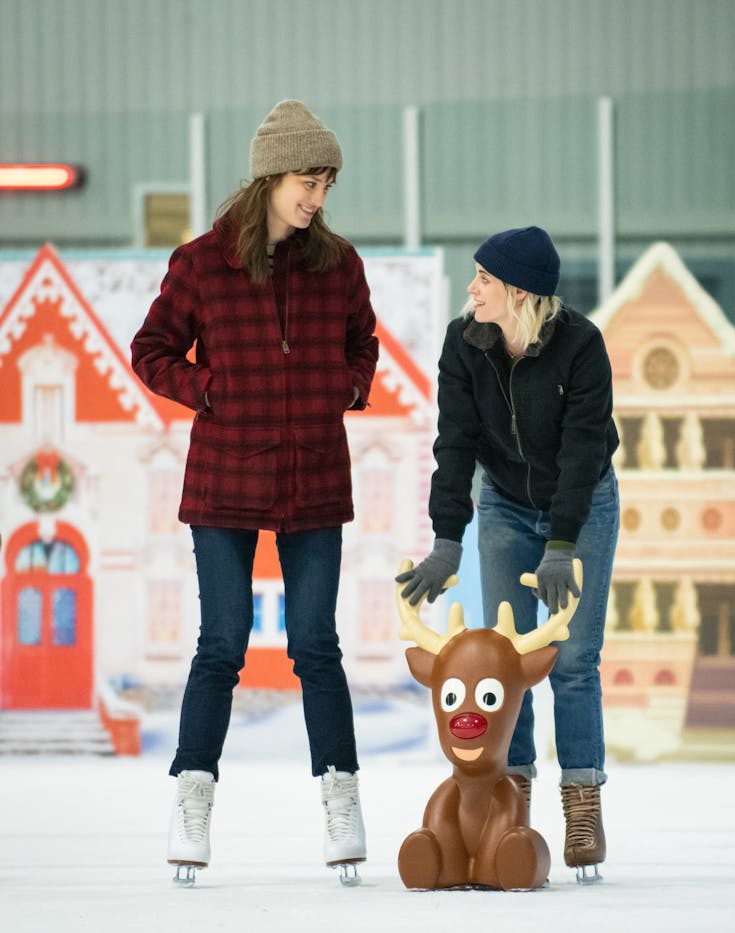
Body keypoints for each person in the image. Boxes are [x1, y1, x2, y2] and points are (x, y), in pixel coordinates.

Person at [131, 100, 378, 884]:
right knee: (222, 644)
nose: (318, 198)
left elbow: (362, 342)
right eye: (309, 181)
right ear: (272, 175)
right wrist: (207, 389)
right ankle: (191, 798)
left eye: (326, 183)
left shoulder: (337, 263)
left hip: (314, 476)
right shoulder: (202, 262)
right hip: (225, 477)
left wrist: (345, 383)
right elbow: (150, 349)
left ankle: (341, 797)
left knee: (316, 645)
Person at [396, 226, 619, 882]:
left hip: (584, 505)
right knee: (507, 657)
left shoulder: (581, 345)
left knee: (574, 658)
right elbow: (455, 442)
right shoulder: (464, 342)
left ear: (519, 291)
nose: (471, 289)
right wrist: (445, 538)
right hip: (502, 505)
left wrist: (561, 543)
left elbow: (583, 451)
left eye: (484, 279)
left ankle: (581, 805)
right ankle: (508, 806)